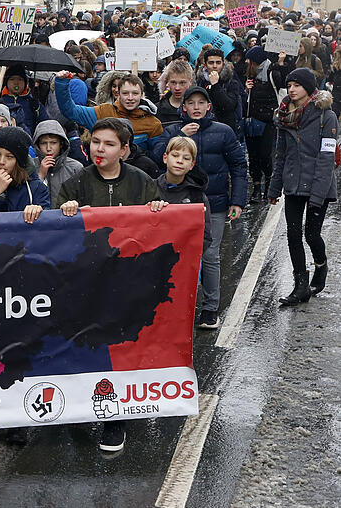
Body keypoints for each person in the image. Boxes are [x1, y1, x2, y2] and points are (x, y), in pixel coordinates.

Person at [57, 117, 166, 453]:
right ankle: (77, 406)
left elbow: (161, 229)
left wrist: (159, 210)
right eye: (95, 143)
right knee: (82, 345)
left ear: (125, 150)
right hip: (85, 281)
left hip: (125, 281)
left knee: (118, 350)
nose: (99, 149)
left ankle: (114, 420)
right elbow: (53, 231)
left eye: (108, 144)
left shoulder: (141, 181)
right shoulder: (76, 183)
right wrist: (65, 211)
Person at [157, 86, 247, 328]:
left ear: (209, 107)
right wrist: (180, 135)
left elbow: (239, 165)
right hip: (178, 203)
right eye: (191, 103)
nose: (196, 108)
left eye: (201, 103)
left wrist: (237, 200)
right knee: (174, 255)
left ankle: (209, 308)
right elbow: (158, 156)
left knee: (209, 254)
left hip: (214, 204)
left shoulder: (223, 132)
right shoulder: (174, 130)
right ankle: (175, 306)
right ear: (183, 107)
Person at [269, 68, 337, 305]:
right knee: (293, 234)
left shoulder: (326, 116)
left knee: (312, 233)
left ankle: (321, 265)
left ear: (308, 88)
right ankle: (300, 285)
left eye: (297, 85)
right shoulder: (283, 116)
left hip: (319, 184)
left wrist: (318, 195)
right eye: (289, 85)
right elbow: (281, 155)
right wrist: (274, 188)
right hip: (293, 183)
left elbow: (327, 159)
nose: (292, 89)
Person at [54, 70, 163, 152]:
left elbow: (156, 155)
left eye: (135, 93)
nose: (130, 98)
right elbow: (70, 111)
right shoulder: (102, 112)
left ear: (141, 94)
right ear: (118, 93)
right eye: (125, 93)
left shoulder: (153, 124)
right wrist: (62, 84)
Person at [0, 126, 50, 218]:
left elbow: (46, 224)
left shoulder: (36, 187)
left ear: (19, 161)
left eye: (9, 156)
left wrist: (38, 211)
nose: (1, 162)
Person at [244, 46, 289, 202]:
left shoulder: (271, 71)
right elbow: (245, 102)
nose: (247, 63)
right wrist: (247, 90)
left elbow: (283, 83)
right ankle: (256, 187)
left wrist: (281, 63)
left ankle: (269, 182)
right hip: (252, 121)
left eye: (249, 60)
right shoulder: (250, 76)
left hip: (268, 121)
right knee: (254, 156)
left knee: (265, 155)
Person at [155, 137, 212, 250]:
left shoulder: (197, 195)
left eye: (186, 158)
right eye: (175, 155)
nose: (180, 161)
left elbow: (205, 236)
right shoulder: (149, 189)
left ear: (192, 165)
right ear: (165, 158)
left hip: (183, 256)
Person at [32, 120, 83, 204]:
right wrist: (40, 175)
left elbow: (83, 199)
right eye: (44, 143)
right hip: (40, 216)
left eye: (53, 143)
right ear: (38, 145)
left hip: (67, 216)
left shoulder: (75, 168)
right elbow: (26, 199)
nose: (48, 148)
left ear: (61, 144)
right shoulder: (30, 166)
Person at [1, 65, 49, 136]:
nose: (16, 83)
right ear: (6, 82)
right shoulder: (1, 102)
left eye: (20, 79)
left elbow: (45, 123)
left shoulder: (33, 103)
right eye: (12, 79)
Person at [157, 59, 195, 126]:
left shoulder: (199, 108)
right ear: (167, 82)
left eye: (182, 83)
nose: (177, 88)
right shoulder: (157, 110)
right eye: (173, 82)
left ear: (190, 82)